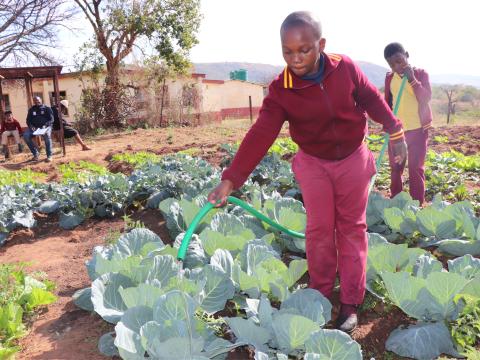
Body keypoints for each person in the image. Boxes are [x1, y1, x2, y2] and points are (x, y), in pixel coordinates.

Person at [207, 11, 407, 332]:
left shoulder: (345, 68)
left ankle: (351, 303)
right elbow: (261, 134)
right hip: (313, 162)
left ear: (321, 44)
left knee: (351, 229)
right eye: (288, 51)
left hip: (353, 159)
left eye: (304, 50)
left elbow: (370, 97)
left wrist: (395, 131)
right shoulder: (282, 89)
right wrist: (231, 179)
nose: (296, 58)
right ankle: (320, 295)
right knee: (318, 230)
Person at [384, 42, 432, 205]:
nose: (397, 67)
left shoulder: (420, 74)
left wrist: (412, 79)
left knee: (415, 168)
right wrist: (388, 126)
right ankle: (396, 201)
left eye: (399, 61)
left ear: (407, 55)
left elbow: (426, 98)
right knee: (396, 168)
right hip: (397, 133)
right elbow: (387, 103)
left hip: (418, 130)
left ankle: (416, 205)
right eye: (392, 64)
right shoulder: (390, 78)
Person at [23, 96, 54, 162]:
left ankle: (49, 156)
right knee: (26, 135)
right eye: (35, 101)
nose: (37, 102)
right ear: (33, 102)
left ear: (41, 100)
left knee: (47, 136)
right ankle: (35, 154)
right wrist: (31, 126)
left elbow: (51, 119)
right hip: (35, 128)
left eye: (38, 100)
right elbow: (28, 120)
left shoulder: (47, 108)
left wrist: (45, 125)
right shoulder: (31, 110)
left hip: (46, 127)